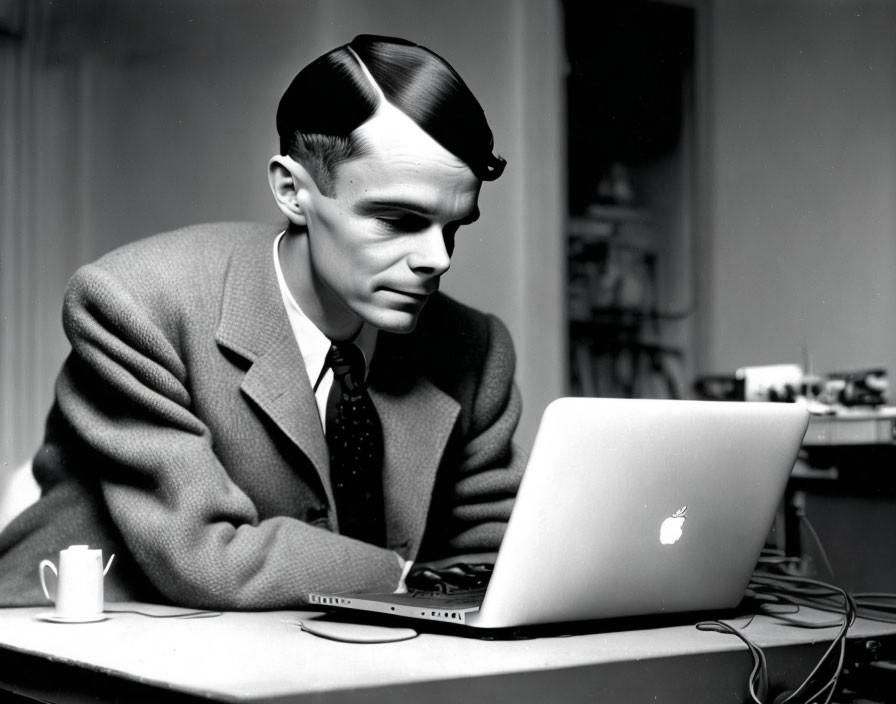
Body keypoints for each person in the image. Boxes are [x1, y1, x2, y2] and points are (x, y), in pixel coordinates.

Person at [0, 35, 525, 609]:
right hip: (83, 650)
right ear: (291, 190)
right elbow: (204, 559)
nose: (438, 258)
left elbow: (502, 558)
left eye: (454, 226)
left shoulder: (474, 348)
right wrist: (404, 577)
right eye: (398, 219)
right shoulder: (134, 305)